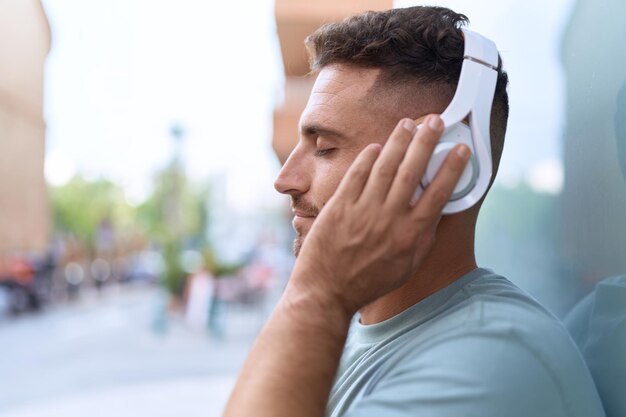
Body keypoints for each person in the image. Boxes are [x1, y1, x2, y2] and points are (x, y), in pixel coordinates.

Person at [224, 6, 605, 417]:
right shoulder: (349, 329)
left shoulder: (494, 359)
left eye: (325, 148)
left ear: (440, 165)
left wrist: (316, 294)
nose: (285, 180)